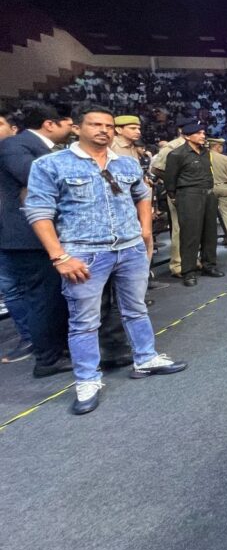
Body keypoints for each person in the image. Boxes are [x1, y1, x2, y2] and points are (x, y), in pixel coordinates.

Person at [24, 107, 186, 415]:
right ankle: (87, 380)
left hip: (129, 248)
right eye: (95, 124)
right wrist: (59, 256)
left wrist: (145, 231)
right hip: (83, 252)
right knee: (84, 321)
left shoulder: (126, 163)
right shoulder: (51, 164)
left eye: (109, 126)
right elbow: (38, 212)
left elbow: (142, 194)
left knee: (136, 309)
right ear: (77, 128)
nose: (103, 130)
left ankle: (146, 358)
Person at [0, 103, 75, 373]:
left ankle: (59, 348)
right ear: (49, 124)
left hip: (38, 233)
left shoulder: (32, 146)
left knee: (53, 295)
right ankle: (47, 359)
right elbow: (38, 178)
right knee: (43, 298)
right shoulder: (15, 146)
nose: (72, 129)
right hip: (28, 236)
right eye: (67, 124)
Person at [163, 120, 224, 287]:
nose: (203, 136)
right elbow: (170, 179)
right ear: (187, 136)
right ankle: (188, 271)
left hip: (208, 194)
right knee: (190, 234)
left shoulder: (205, 152)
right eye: (198, 133)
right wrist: (174, 196)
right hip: (189, 195)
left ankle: (209, 265)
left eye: (203, 133)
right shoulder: (176, 154)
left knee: (210, 232)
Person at [149, 121, 188, 276]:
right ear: (181, 130)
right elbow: (156, 169)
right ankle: (178, 264)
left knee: (194, 227)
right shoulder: (171, 147)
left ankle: (191, 259)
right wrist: (174, 181)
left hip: (196, 191)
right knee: (179, 228)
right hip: (178, 191)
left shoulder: (198, 145)